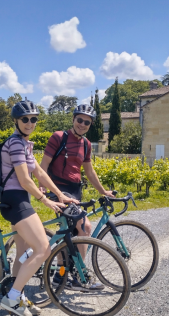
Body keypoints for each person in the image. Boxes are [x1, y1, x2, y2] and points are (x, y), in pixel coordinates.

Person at [0, 99, 78, 316]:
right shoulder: (15, 143)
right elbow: (24, 179)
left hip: (17, 199)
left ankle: (17, 296)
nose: (30, 123)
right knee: (43, 248)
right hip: (16, 200)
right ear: (16, 121)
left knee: (23, 254)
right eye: (25, 119)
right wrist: (46, 200)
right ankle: (12, 298)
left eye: (33, 119)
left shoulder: (25, 144)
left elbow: (40, 174)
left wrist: (60, 194)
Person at [39, 104, 114, 291]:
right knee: (85, 226)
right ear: (73, 119)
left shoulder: (86, 144)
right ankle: (80, 275)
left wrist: (103, 191)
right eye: (79, 120)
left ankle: (60, 276)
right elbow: (44, 164)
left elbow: (89, 171)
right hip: (58, 189)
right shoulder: (58, 137)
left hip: (74, 191)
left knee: (71, 234)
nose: (82, 124)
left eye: (86, 122)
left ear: (91, 125)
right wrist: (42, 187)